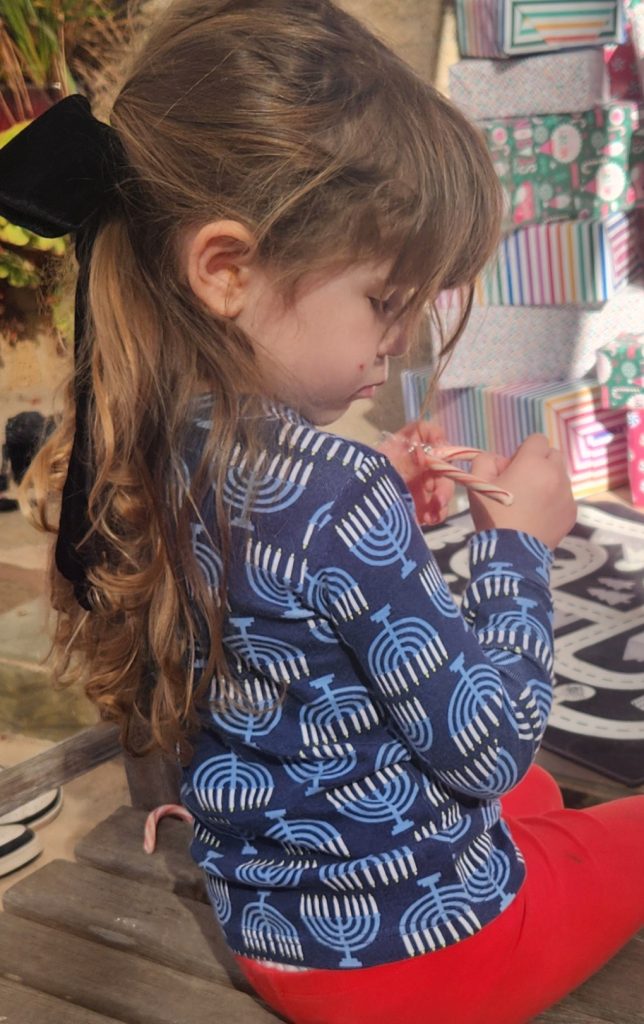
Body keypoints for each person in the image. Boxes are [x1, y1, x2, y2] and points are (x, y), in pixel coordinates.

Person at [1, 1, 642, 1021]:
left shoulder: (151, 438)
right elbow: (485, 742)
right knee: (601, 820)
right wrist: (516, 544)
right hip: (424, 959)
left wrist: (377, 472)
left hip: (277, 930)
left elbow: (284, 590)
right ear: (225, 267)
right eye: (385, 302)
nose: (395, 346)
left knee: (531, 806)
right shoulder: (334, 498)